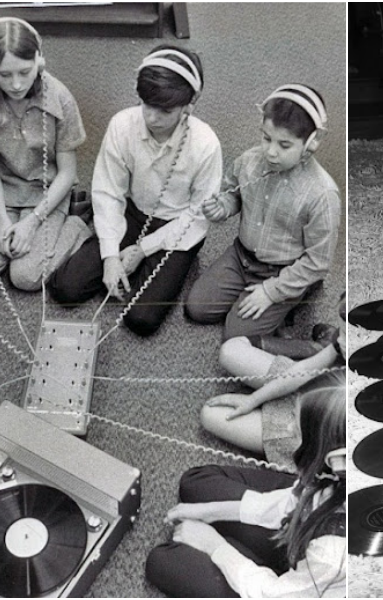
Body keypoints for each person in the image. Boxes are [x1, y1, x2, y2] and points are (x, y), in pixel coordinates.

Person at [48, 45, 221, 336]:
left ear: (190, 104)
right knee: (65, 288)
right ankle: (113, 252)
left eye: (165, 110)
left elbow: (197, 216)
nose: (152, 117)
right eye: (146, 104)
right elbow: (108, 192)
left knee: (141, 320)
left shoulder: (205, 144)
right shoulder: (122, 124)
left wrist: (143, 250)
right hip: (134, 212)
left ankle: (174, 265)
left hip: (179, 226)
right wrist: (111, 257)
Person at [145, 371, 346, 597]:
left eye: (298, 431)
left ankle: (263, 565)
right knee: (194, 484)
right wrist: (212, 512)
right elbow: (296, 500)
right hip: (304, 545)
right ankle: (257, 559)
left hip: (292, 588)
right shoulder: (334, 472)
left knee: (163, 560)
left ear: (336, 459)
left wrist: (215, 546)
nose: (288, 430)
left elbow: (271, 594)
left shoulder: (331, 554)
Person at [186, 84, 341, 345]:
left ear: (311, 144)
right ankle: (282, 303)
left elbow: (318, 261)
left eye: (284, 145)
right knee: (197, 309)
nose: (270, 152)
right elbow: (233, 194)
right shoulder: (249, 161)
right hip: (241, 257)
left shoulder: (322, 194)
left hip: (284, 269)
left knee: (235, 336)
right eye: (266, 138)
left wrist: (271, 292)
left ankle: (301, 300)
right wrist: (223, 206)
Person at [0, 17, 92, 291]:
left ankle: (78, 225)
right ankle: (11, 226)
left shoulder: (60, 99)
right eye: (4, 75)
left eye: (25, 71)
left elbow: (68, 173)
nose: (17, 84)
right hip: (4, 192)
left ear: (39, 61)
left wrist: (32, 224)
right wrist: (1, 222)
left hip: (48, 193)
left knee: (25, 277)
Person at [202, 294, 345, 468]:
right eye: (342, 331)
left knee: (209, 414)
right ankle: (317, 349)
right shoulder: (343, 341)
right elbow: (305, 370)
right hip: (313, 392)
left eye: (346, 335)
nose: (341, 340)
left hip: (309, 435)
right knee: (230, 351)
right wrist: (253, 399)